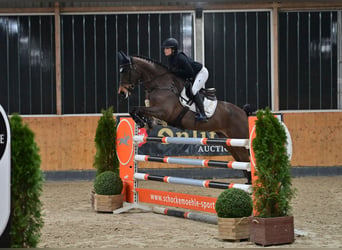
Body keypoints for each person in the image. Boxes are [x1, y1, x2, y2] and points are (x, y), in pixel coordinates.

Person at [162, 38, 209, 122]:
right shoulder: (170, 58)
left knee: (194, 91)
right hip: (193, 74)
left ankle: (203, 114)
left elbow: (190, 72)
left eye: (167, 48)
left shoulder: (180, 58)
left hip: (201, 73)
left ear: (173, 50)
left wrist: (176, 71)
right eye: (165, 48)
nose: (165, 50)